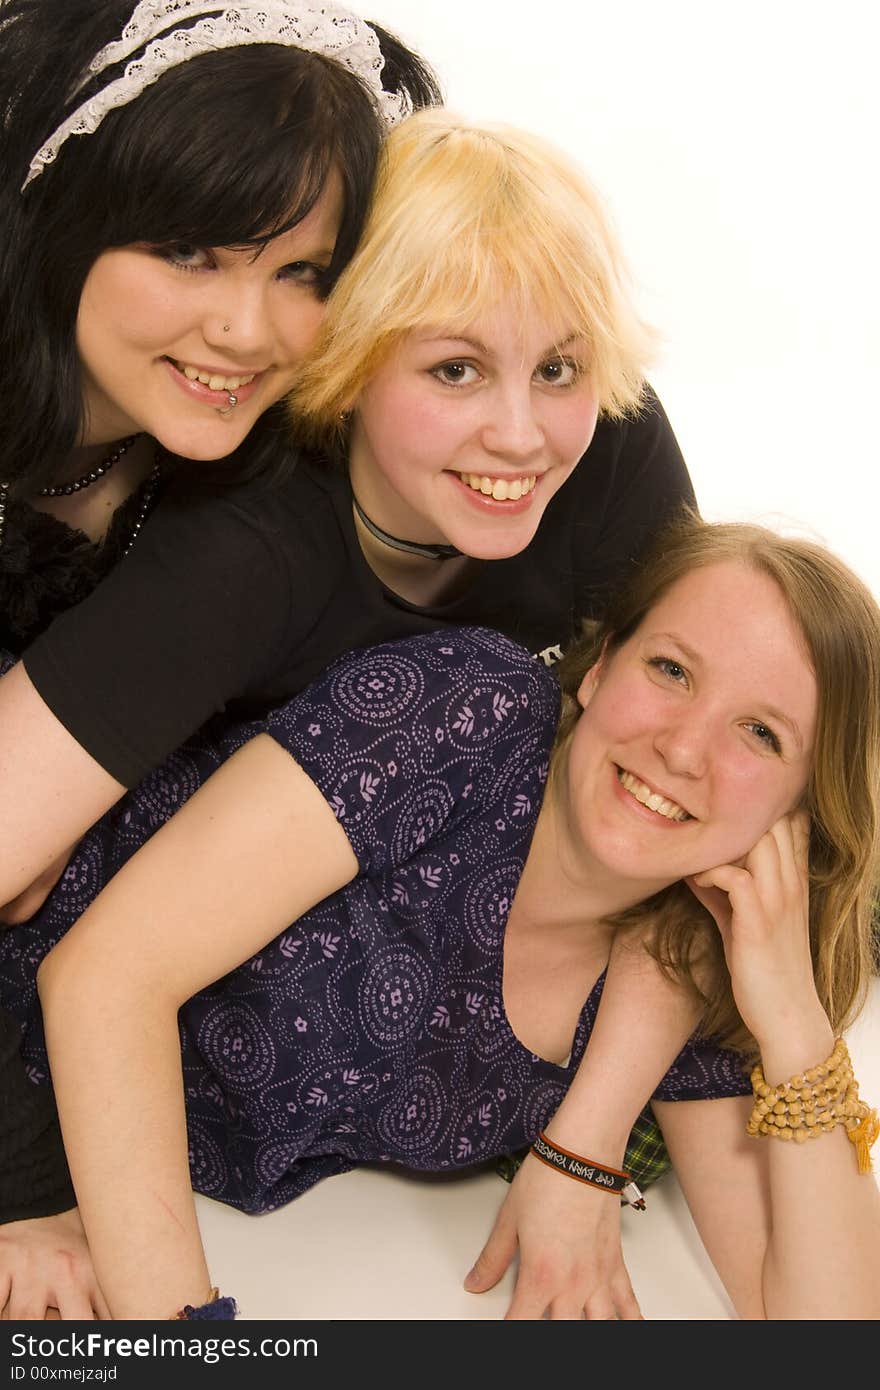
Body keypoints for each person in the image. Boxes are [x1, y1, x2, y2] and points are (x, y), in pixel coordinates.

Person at [0, 100, 691, 1309]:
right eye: (454, 368)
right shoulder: (244, 555)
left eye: (561, 368)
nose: (521, 434)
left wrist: (584, 1146)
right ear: (352, 363)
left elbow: (717, 788)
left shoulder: (608, 453)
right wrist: (24, 1179)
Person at [5, 508, 878, 1321]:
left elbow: (822, 1329)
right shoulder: (472, 715)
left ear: (800, 812)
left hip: (120, 1193)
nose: (684, 749)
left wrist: (793, 1020)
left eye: (760, 734)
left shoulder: (691, 957)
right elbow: (103, 976)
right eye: (671, 670)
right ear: (604, 664)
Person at [0, 0, 440, 1318]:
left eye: (303, 273)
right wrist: (24, 1175)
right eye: (192, 251)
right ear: (68, 218)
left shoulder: (253, 479)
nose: (248, 329)